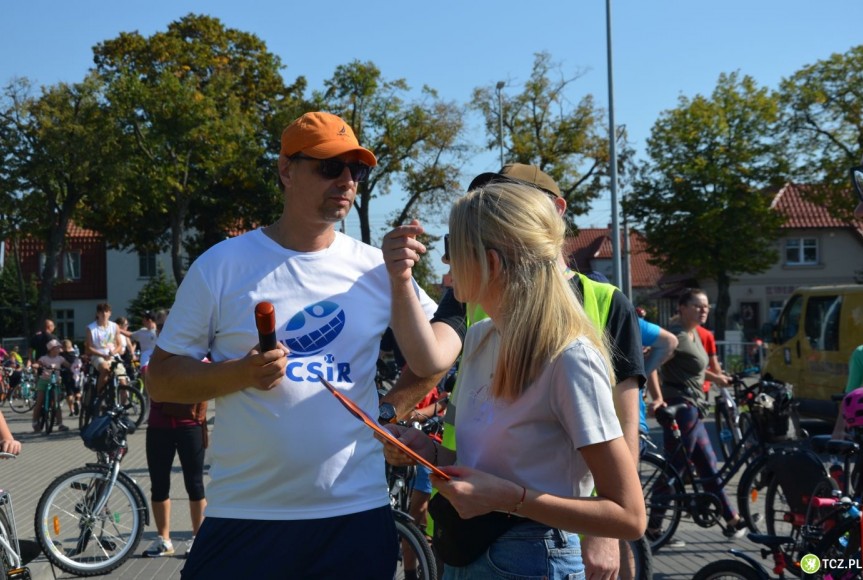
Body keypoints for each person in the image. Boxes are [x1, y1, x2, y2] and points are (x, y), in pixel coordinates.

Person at [147, 111, 437, 579]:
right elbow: (161, 380)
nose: (345, 180)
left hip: (354, 513)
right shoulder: (223, 265)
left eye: (356, 170)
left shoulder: (376, 269)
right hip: (247, 515)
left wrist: (387, 414)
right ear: (286, 170)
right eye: (329, 166)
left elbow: (438, 354)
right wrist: (239, 373)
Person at [381, 163, 646, 577]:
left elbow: (630, 515)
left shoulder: (569, 357)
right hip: (467, 551)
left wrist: (509, 499)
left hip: (531, 556)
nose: (447, 264)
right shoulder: (481, 337)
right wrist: (425, 452)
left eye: (455, 249)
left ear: (490, 262)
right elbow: (468, 458)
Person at [646, 288, 746, 539]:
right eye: (698, 306)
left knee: (707, 465)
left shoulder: (694, 334)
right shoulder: (676, 336)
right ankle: (653, 525)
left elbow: (696, 367)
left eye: (706, 306)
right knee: (676, 466)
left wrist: (718, 378)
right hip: (680, 407)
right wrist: (658, 398)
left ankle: (732, 519)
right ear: (682, 307)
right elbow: (650, 366)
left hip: (694, 407)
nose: (704, 310)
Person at [32, 339, 71, 432]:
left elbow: (68, 365)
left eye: (59, 348)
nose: (59, 350)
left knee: (56, 403)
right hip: (44, 381)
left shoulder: (60, 358)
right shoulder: (44, 358)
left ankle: (61, 424)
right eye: (57, 348)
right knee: (39, 401)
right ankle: (34, 422)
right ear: (51, 349)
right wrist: (35, 365)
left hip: (55, 382)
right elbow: (38, 364)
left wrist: (73, 367)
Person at [84, 303, 124, 393]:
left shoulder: (114, 326)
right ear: (97, 313)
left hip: (112, 355)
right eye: (101, 312)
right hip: (98, 355)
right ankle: (100, 398)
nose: (104, 314)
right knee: (105, 370)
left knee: (123, 381)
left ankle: (121, 403)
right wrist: (103, 354)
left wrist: (113, 353)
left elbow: (119, 345)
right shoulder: (91, 328)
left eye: (106, 311)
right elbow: (89, 348)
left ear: (110, 313)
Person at [59, 339, 82, 417]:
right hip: (76, 375)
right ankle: (78, 401)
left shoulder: (61, 355)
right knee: (77, 390)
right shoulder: (76, 354)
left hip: (66, 374)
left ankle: (71, 409)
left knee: (69, 392)